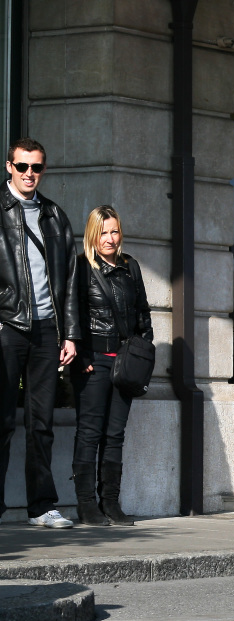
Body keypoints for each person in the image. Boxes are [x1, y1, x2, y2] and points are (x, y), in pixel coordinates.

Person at [0, 137, 81, 528]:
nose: (30, 174)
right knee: (1, 420)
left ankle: (42, 506)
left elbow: (68, 282)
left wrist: (69, 334)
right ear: (8, 167)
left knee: (41, 423)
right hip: (8, 327)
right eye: (22, 167)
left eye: (37, 167)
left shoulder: (53, 215)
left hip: (47, 330)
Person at [71, 205, 153, 526]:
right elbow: (73, 315)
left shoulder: (130, 267)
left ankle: (110, 502)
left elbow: (143, 314)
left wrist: (143, 352)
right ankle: (86, 504)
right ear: (93, 234)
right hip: (92, 363)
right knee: (90, 433)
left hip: (124, 364)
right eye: (103, 232)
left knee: (115, 434)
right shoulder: (80, 268)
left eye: (114, 231)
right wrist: (80, 357)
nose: (110, 238)